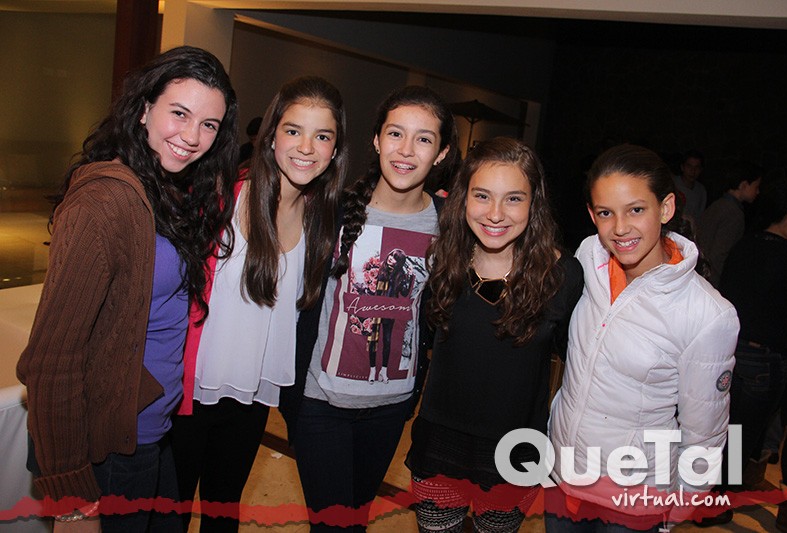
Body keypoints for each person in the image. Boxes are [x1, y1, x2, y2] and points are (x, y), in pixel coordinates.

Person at [16, 46, 239, 532]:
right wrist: (73, 497)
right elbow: (51, 359)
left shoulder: (163, 188)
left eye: (209, 125)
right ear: (143, 109)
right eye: (179, 113)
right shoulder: (104, 202)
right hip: (109, 446)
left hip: (149, 430)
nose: (192, 136)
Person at [170, 76, 347, 532]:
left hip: (252, 396)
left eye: (322, 136)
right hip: (188, 393)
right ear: (270, 136)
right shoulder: (220, 199)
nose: (306, 147)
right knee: (166, 518)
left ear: (334, 150)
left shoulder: (322, 221)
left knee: (223, 513)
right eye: (293, 130)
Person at [279, 85, 458, 532]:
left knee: (356, 522)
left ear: (441, 153)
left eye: (423, 139)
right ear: (376, 140)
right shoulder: (330, 210)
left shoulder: (451, 223)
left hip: (391, 406)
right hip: (320, 403)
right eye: (395, 133)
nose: (406, 150)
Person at [547, 144, 739, 532]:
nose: (620, 228)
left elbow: (705, 434)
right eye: (606, 213)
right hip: (565, 477)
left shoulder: (708, 314)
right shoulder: (589, 257)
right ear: (592, 215)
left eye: (636, 210)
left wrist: (675, 511)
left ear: (666, 208)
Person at [404, 137, 583, 533]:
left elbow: (580, 369)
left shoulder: (562, 277)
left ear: (534, 204)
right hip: (439, 446)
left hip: (516, 453)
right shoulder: (440, 262)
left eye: (513, 199)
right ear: (463, 198)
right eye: (482, 195)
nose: (496, 214)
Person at [719, 178, 787, 532]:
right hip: (765, 358)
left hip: (731, 350)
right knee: (742, 435)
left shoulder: (745, 245)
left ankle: (716, 493)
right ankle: (717, 502)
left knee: (724, 429)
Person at [695, 160, 762, 287]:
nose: (758, 192)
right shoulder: (733, 213)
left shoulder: (719, 204)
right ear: (744, 185)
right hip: (708, 279)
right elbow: (719, 255)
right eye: (756, 187)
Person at [672, 149, 707, 224]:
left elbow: (700, 216)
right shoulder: (672, 184)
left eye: (696, 167)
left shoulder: (701, 190)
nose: (693, 171)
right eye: (689, 166)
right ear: (682, 167)